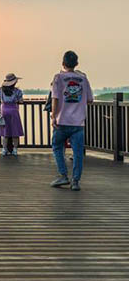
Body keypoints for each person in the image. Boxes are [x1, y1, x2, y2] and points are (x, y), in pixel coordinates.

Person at [50, 51, 93, 191]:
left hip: (62, 120)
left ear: (63, 63)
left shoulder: (58, 78)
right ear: (76, 64)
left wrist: (53, 116)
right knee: (78, 152)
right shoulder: (83, 78)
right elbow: (90, 100)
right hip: (78, 123)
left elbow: (55, 99)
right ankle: (75, 181)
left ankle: (63, 175)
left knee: (57, 146)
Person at [0, 73, 24, 157]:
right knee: (15, 131)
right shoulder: (17, 91)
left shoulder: (0, 90)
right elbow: (21, 101)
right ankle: (15, 150)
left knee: (5, 132)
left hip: (4, 111)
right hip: (14, 111)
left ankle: (4, 149)